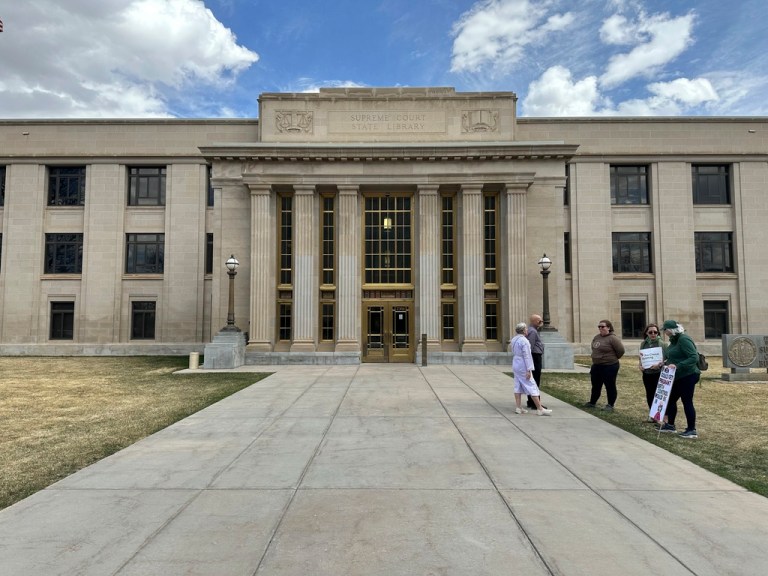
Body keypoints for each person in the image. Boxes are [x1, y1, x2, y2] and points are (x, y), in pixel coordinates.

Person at [658, 320, 700, 438]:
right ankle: (670, 425)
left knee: (687, 401)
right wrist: (665, 362)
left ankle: (692, 430)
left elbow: (693, 357)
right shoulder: (673, 340)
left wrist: (678, 365)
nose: (664, 332)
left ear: (671, 330)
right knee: (670, 400)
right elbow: (674, 355)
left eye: (665, 330)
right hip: (677, 376)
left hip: (688, 375)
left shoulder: (684, 339)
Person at [510, 322, 552, 416]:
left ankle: (518, 407)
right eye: (526, 329)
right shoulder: (524, 341)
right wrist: (529, 370)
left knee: (518, 384)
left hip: (516, 363)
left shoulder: (514, 339)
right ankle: (539, 408)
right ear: (524, 330)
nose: (527, 330)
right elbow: (527, 356)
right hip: (522, 364)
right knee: (531, 385)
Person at [585, 319, 625, 411]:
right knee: (596, 385)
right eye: (599, 326)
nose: (600, 328)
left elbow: (621, 351)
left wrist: (611, 358)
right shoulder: (597, 337)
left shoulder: (613, 338)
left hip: (610, 366)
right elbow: (593, 347)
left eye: (602, 326)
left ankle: (610, 405)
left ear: (608, 328)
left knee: (610, 385)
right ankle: (592, 402)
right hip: (597, 365)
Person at [638, 323, 667, 421]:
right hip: (646, 373)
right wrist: (640, 365)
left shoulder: (662, 344)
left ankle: (660, 416)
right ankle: (652, 415)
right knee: (649, 394)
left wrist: (659, 364)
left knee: (658, 395)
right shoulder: (643, 344)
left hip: (658, 373)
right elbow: (641, 357)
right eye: (650, 332)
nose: (653, 334)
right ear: (646, 333)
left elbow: (667, 359)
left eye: (655, 332)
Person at [525, 313, 545, 409]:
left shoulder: (533, 330)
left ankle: (531, 401)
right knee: (535, 380)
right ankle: (536, 403)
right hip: (535, 357)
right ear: (534, 321)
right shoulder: (532, 331)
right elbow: (530, 346)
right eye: (539, 321)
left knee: (533, 380)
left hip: (535, 356)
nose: (541, 322)